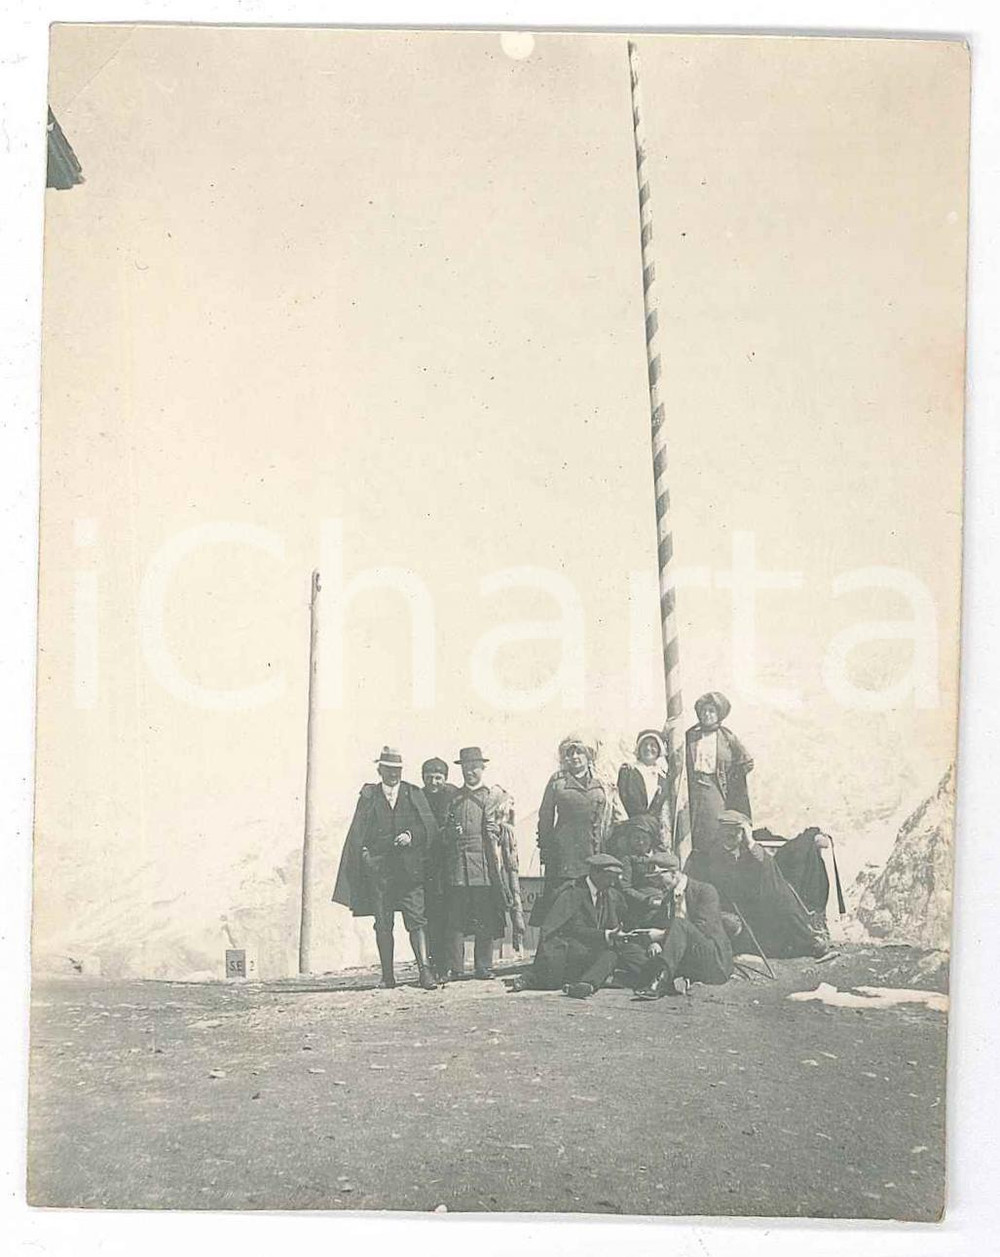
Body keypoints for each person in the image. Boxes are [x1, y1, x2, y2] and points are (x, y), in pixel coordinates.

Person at [331, 746, 439, 990]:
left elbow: (428, 828)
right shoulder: (369, 796)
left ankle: (425, 972)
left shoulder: (413, 794)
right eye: (388, 769)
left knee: (417, 920)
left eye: (397, 769)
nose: (393, 774)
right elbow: (358, 833)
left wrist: (411, 836)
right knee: (383, 923)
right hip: (380, 874)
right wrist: (366, 855)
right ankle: (387, 976)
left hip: (410, 872)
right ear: (380, 770)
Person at [688, 811, 830, 959]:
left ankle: (807, 939)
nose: (728, 839)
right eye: (725, 834)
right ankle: (808, 939)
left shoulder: (748, 851)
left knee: (777, 892)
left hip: (761, 906)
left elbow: (767, 867)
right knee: (776, 894)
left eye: (734, 834)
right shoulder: (714, 855)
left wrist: (750, 842)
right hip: (737, 909)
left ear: (743, 835)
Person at [513, 853, 648, 998]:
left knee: (632, 957)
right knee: (610, 955)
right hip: (568, 950)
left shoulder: (610, 894)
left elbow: (623, 919)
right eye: (609, 877)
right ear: (595, 873)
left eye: (615, 878)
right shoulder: (573, 892)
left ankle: (654, 974)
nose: (613, 882)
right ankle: (586, 984)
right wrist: (607, 935)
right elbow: (571, 929)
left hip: (594, 948)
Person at [441, 747, 524, 981]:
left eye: (474, 768)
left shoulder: (492, 797)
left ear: (482, 768)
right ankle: (456, 968)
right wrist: (450, 832)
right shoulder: (454, 798)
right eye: (466, 768)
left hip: (484, 868)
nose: (470, 773)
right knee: (455, 920)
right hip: (458, 868)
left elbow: (506, 830)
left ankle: (483, 966)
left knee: (484, 918)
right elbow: (444, 830)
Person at [532, 734, 620, 926]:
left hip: (592, 850)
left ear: (588, 756)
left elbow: (610, 817)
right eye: (570, 754)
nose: (574, 757)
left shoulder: (600, 783)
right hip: (563, 853)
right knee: (559, 902)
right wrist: (545, 849)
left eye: (579, 752)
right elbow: (545, 817)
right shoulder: (557, 782)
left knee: (588, 903)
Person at [629, 851, 735, 999]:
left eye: (659, 877)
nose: (656, 884)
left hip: (713, 961)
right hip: (687, 959)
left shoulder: (705, 891)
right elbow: (660, 924)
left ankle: (660, 983)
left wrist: (661, 935)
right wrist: (655, 943)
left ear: (674, 873)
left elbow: (703, 928)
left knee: (679, 922)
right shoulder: (668, 898)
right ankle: (667, 978)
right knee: (639, 955)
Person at [685, 692, 754, 855]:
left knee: (713, 828)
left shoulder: (727, 737)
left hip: (715, 789)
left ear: (719, 714)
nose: (707, 715)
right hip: (691, 790)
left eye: (711, 711)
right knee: (690, 827)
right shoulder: (690, 735)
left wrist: (733, 779)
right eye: (704, 711)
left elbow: (746, 761)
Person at [420, 757, 459, 982]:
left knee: (449, 917)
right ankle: (433, 965)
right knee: (430, 917)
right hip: (427, 866)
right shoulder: (418, 796)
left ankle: (449, 966)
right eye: (429, 777)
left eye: (438, 778)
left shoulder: (452, 795)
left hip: (449, 864)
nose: (434, 782)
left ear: (445, 778)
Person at [606, 813, 675, 916]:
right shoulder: (628, 859)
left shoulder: (661, 853)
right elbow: (625, 888)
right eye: (636, 838)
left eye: (644, 838)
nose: (641, 842)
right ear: (630, 839)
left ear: (651, 839)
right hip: (643, 904)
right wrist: (647, 900)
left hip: (667, 898)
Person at [617, 729, 670, 820]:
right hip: (630, 826)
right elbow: (618, 802)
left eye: (653, 745)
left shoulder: (663, 778)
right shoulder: (628, 771)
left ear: (659, 750)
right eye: (645, 744)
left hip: (652, 829)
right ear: (639, 748)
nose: (648, 748)